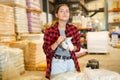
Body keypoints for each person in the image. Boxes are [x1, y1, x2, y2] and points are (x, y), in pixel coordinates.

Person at [43, 4, 81, 79]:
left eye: (67, 11)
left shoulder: (73, 29)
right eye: (62, 11)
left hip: (71, 62)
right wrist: (57, 42)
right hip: (57, 63)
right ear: (56, 15)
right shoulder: (50, 31)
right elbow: (46, 51)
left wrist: (73, 48)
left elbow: (78, 47)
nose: (65, 13)